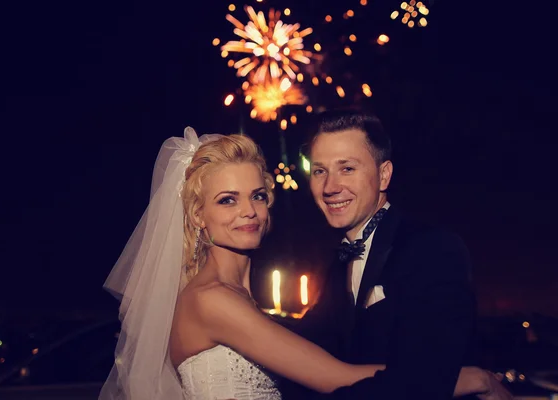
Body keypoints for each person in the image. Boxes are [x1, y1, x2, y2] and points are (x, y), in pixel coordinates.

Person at [99, 127, 511, 400]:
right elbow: (336, 378)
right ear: (197, 215)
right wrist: (471, 378)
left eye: (257, 195)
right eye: (227, 199)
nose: (249, 211)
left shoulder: (238, 298)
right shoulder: (212, 301)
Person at [280, 108, 511, 400]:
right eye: (319, 171)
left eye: (347, 168)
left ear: (384, 175)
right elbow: (304, 350)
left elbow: (420, 384)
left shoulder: (432, 251)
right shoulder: (338, 265)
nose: (330, 187)